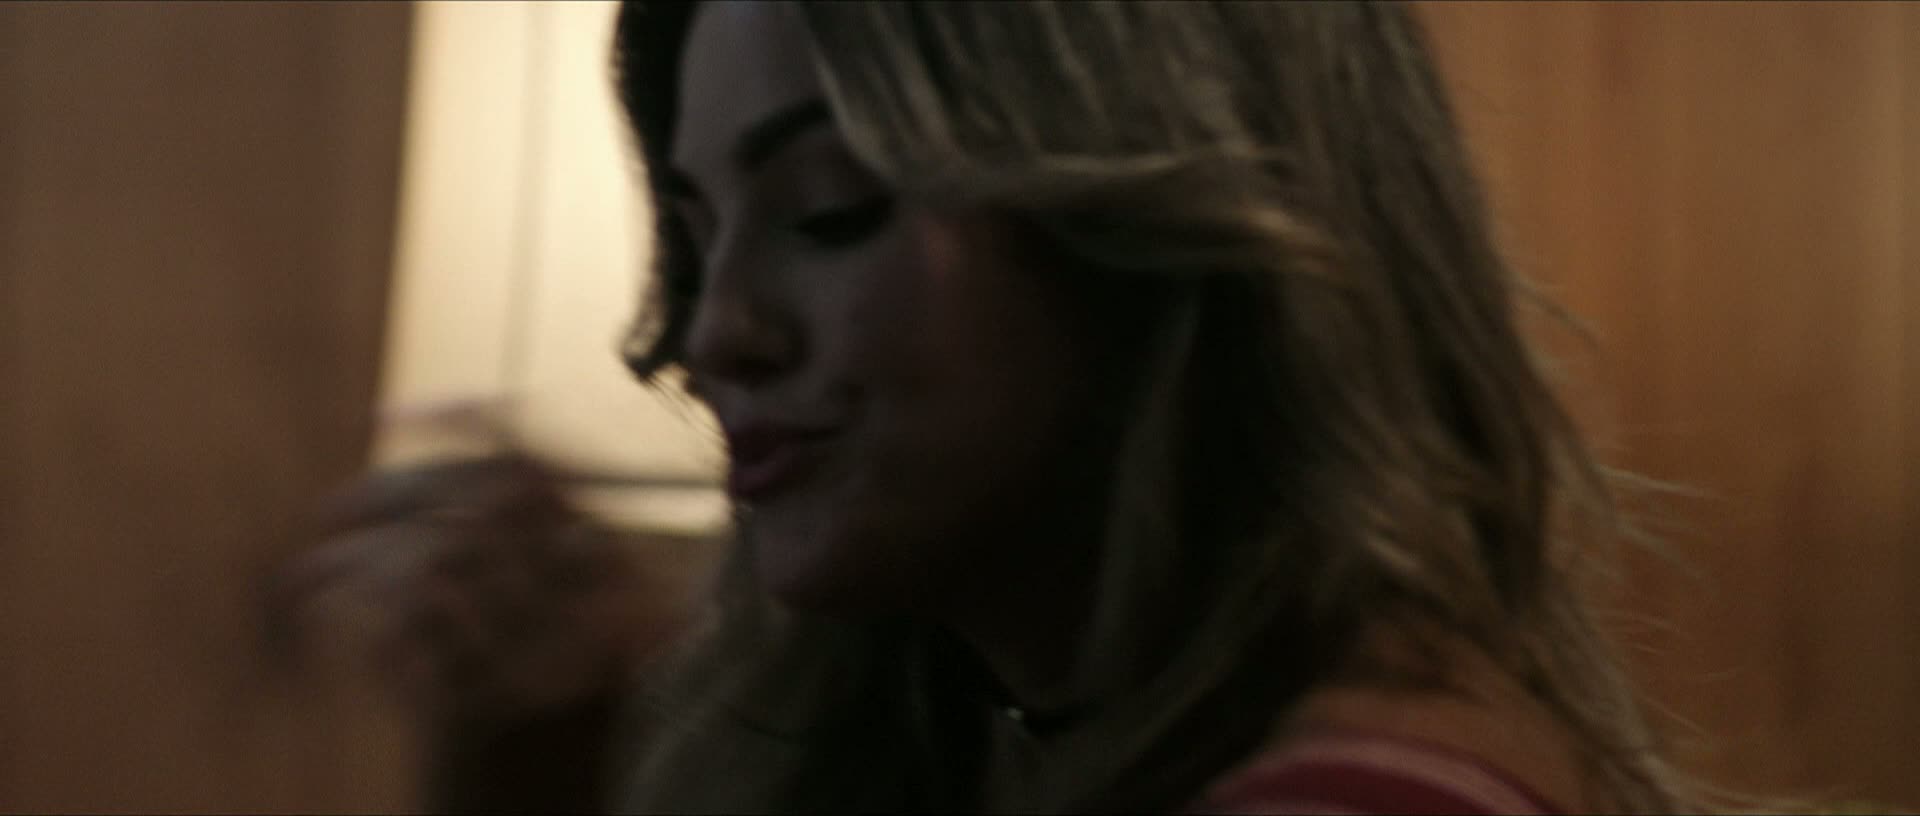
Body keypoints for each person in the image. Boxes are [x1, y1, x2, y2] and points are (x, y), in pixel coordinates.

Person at [275, 1, 1695, 812]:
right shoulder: (1000, 734)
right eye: (701, 237)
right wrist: (563, 738)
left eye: (830, 211)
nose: (713, 334)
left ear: (1155, 224)